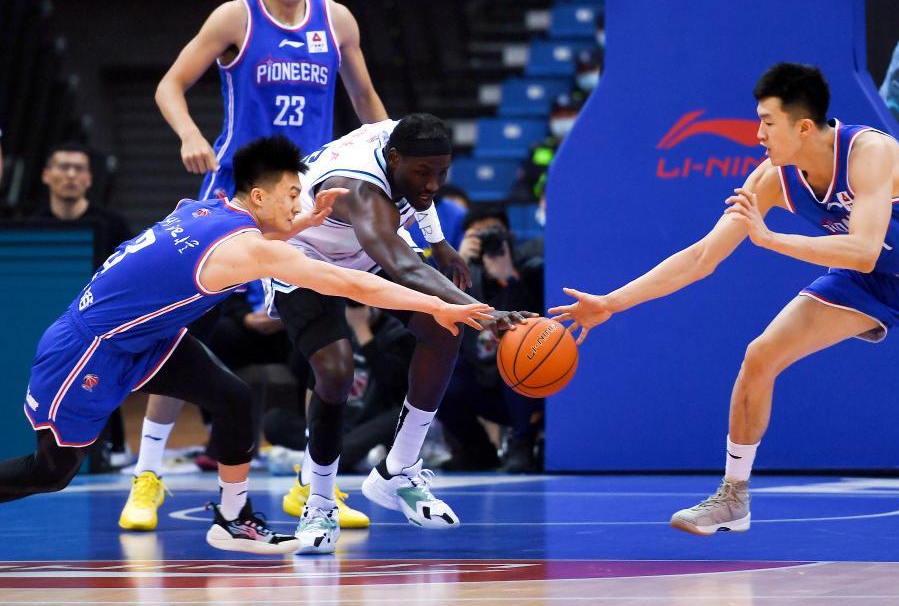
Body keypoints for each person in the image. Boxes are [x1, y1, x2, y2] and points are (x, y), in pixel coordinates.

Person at [551, 63, 899, 535]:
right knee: (761, 355)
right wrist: (611, 302)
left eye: (767, 122)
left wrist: (771, 239)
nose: (757, 134)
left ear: (803, 127)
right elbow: (702, 257)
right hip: (872, 282)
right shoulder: (772, 178)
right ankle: (733, 497)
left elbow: (863, 249)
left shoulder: (870, 153)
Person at [0, 136, 490, 555]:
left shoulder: (209, 206)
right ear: (258, 195)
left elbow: (252, 228)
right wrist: (438, 306)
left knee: (234, 399)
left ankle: (233, 520)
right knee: (51, 472)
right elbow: (349, 283)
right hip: (89, 350)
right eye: (293, 195)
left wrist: (300, 224)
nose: (300, 204)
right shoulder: (245, 249)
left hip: (147, 339)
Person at [125, 0, 388, 533]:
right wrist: (190, 134)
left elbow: (368, 102)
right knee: (184, 332)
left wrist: (390, 159)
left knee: (326, 344)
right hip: (235, 199)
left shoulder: (337, 21)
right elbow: (169, 85)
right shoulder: (235, 18)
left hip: (306, 204)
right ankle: (147, 475)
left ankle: (313, 485)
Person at [266, 113, 530, 552]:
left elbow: (419, 195)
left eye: (442, 173)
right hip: (304, 251)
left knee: (445, 329)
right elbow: (402, 264)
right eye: (424, 173)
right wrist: (484, 312)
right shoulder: (360, 191)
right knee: (336, 371)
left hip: (368, 245)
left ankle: (398, 470)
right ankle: (319, 503)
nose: (433, 184)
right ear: (393, 159)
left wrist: (439, 242)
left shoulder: (409, 141)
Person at [34, 142, 135, 471]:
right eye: (63, 167)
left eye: (78, 169)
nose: (70, 175)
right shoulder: (32, 226)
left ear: (89, 179)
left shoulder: (113, 224)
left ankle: (113, 445)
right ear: (46, 175)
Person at [439, 205, 545, 472]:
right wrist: (456, 263)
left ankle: (522, 445)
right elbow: (437, 318)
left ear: (510, 236)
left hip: (528, 387)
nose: (488, 241)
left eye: (494, 234)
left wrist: (509, 278)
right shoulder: (460, 276)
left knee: (519, 356)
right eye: (479, 236)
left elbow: (530, 326)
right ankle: (477, 450)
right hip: (482, 380)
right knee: (441, 377)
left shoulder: (531, 270)